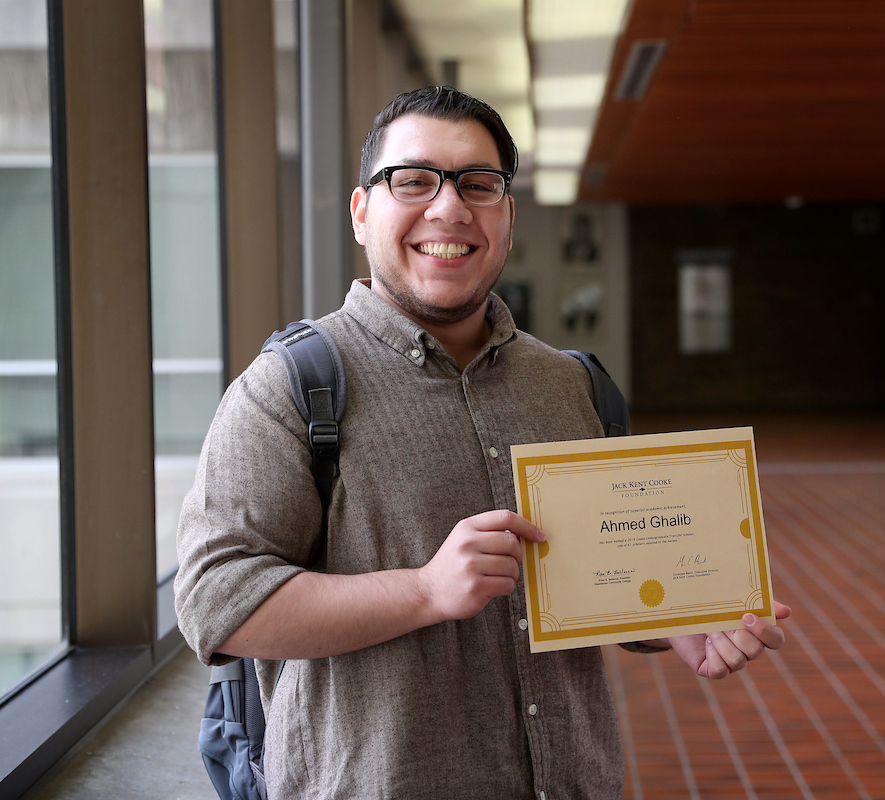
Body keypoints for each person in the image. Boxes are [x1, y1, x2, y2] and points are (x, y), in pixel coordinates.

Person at [175, 86, 790, 799]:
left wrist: (678, 618)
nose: (449, 208)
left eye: (478, 184)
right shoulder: (290, 388)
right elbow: (214, 600)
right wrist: (424, 591)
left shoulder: (570, 385)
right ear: (361, 212)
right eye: (413, 181)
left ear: (506, 214)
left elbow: (600, 573)